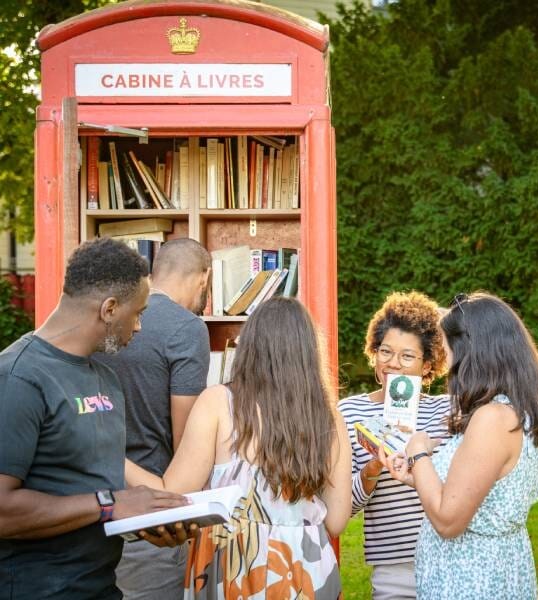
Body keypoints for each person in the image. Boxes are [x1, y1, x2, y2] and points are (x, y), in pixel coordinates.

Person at [124, 296, 352, 599]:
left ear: (250, 347)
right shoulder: (329, 416)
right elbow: (336, 522)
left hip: (236, 569)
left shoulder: (219, 402)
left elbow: (171, 494)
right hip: (308, 572)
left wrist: (110, 455)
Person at [0, 237, 190, 599]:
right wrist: (110, 504)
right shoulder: (17, 378)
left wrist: (146, 520)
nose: (137, 328)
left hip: (101, 586)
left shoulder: (105, 378)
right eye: (138, 313)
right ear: (109, 309)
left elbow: (90, 486)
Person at [382, 292, 538, 599]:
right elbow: (477, 491)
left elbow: (449, 521)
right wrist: (417, 476)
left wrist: (419, 451)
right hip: (497, 568)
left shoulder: (493, 419)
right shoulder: (517, 410)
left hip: (471, 579)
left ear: (471, 354)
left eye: (450, 355)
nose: (449, 369)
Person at [94, 238, 212, 600]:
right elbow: (187, 442)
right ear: (203, 280)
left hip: (93, 505)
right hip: (151, 516)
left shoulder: (109, 317)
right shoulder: (188, 328)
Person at [338, 291, 449, 599]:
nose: (393, 364)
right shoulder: (349, 413)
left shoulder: (446, 411)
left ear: (428, 365)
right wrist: (372, 467)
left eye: (407, 356)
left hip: (448, 557)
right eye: (385, 352)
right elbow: (342, 507)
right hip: (393, 566)